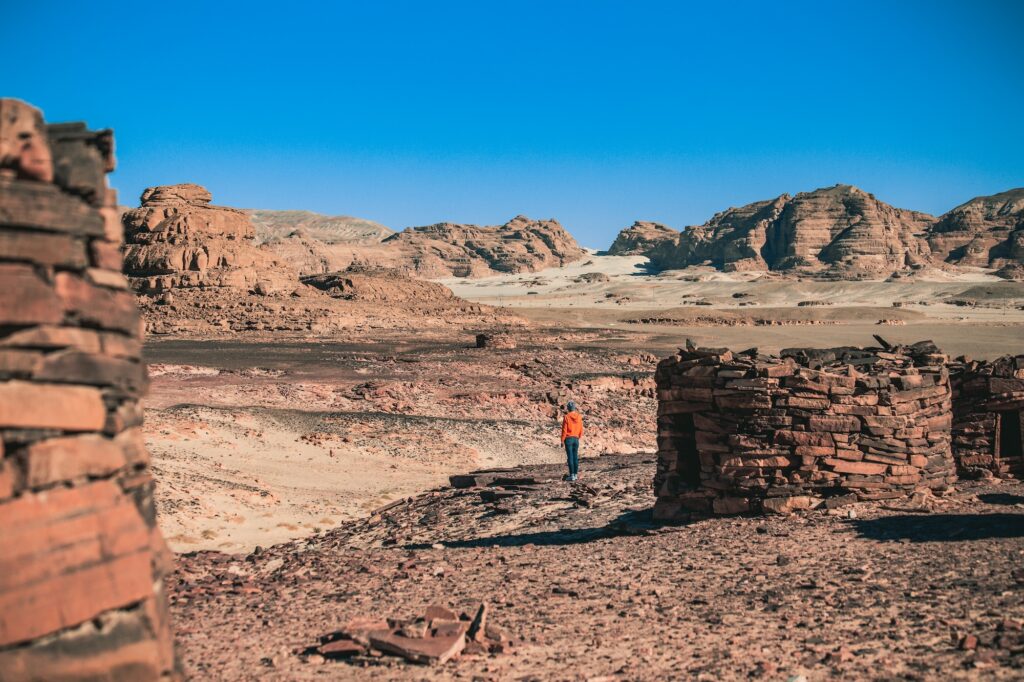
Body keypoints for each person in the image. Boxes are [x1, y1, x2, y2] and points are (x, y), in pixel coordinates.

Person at [560, 401, 583, 481]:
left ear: (568, 408)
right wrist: (578, 436)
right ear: (574, 408)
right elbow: (581, 428)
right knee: (575, 457)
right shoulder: (579, 417)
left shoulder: (566, 417)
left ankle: (572, 475)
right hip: (576, 438)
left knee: (570, 457)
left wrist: (562, 440)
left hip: (568, 439)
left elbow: (564, 430)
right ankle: (575, 475)